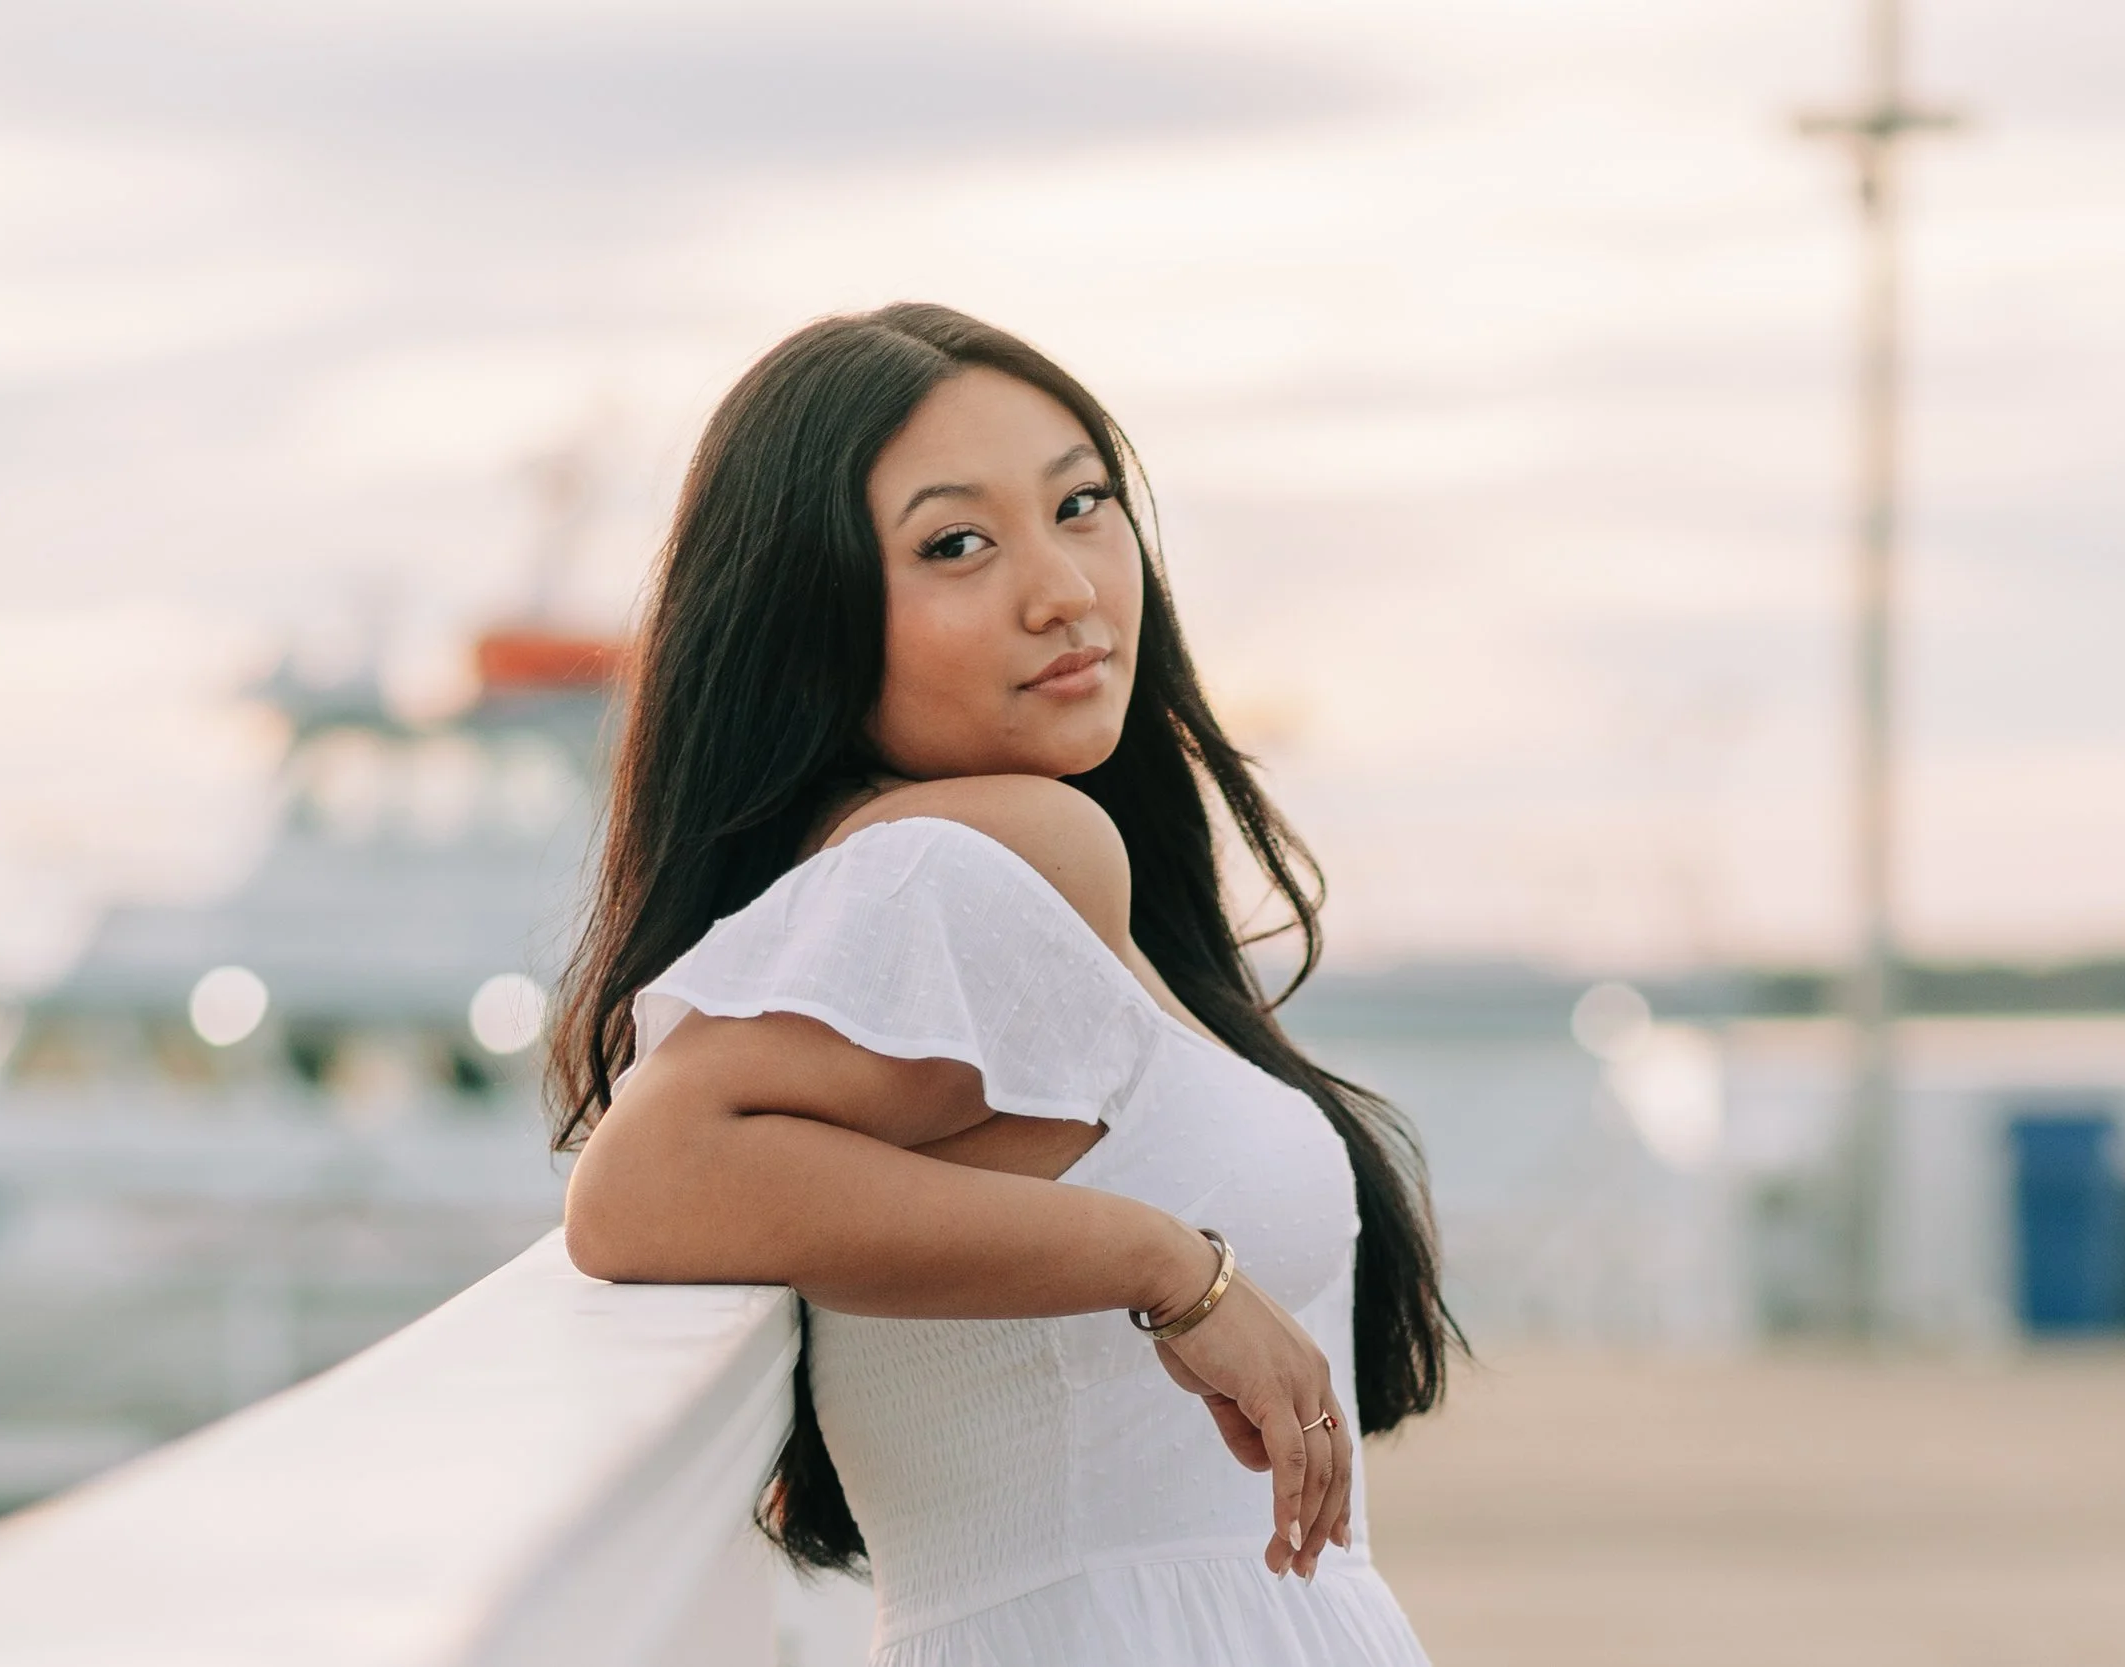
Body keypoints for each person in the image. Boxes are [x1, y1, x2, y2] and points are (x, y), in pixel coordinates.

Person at [555, 302, 1453, 1666]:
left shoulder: (975, 871)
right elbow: (643, 1183)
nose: (1065, 587)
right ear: (816, 623)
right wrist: (1170, 1269)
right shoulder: (981, 857)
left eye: (1082, 504)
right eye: (956, 544)